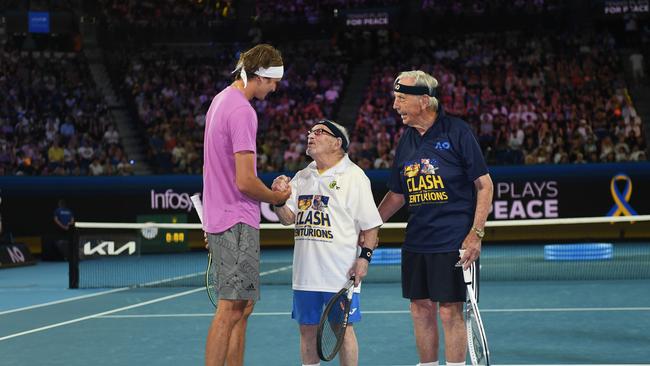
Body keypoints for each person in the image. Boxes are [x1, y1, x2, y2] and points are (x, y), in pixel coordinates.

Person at [377, 70, 493, 366]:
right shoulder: (406, 141)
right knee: (420, 308)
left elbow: (484, 185)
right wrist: (371, 225)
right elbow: (397, 195)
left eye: (401, 98)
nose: (395, 105)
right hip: (417, 240)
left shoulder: (457, 131)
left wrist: (476, 233)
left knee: (449, 310)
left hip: (453, 240)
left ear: (425, 101)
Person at [202, 44, 291, 366]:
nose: (275, 87)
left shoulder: (220, 100)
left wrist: (209, 218)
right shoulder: (242, 111)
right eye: (273, 81)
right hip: (235, 220)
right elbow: (245, 182)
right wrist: (277, 197)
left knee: (242, 307)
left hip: (223, 217)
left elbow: (210, 169)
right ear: (260, 76)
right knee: (230, 308)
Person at [273, 120, 382, 366]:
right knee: (307, 332)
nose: (311, 135)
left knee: (342, 331)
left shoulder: (354, 176)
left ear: (337, 143)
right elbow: (287, 220)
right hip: (305, 275)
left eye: (319, 132)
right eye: (310, 132)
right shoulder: (302, 176)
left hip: (339, 274)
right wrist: (279, 200)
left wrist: (364, 258)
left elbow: (371, 225)